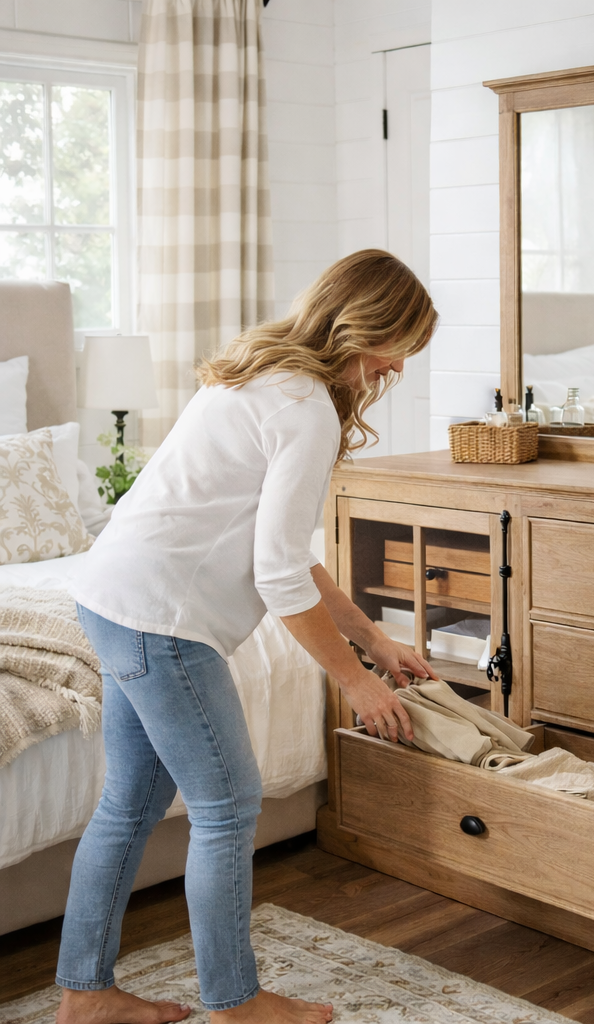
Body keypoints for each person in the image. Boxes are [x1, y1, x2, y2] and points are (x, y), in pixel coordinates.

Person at [57, 250, 439, 1024]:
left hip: (112, 596)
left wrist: (372, 638)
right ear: (364, 325)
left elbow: (287, 554)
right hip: (159, 619)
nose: (396, 364)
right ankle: (238, 1004)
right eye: (396, 343)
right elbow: (279, 578)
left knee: (129, 804)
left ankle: (85, 994)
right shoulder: (304, 409)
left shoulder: (263, 374)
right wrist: (355, 680)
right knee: (227, 807)